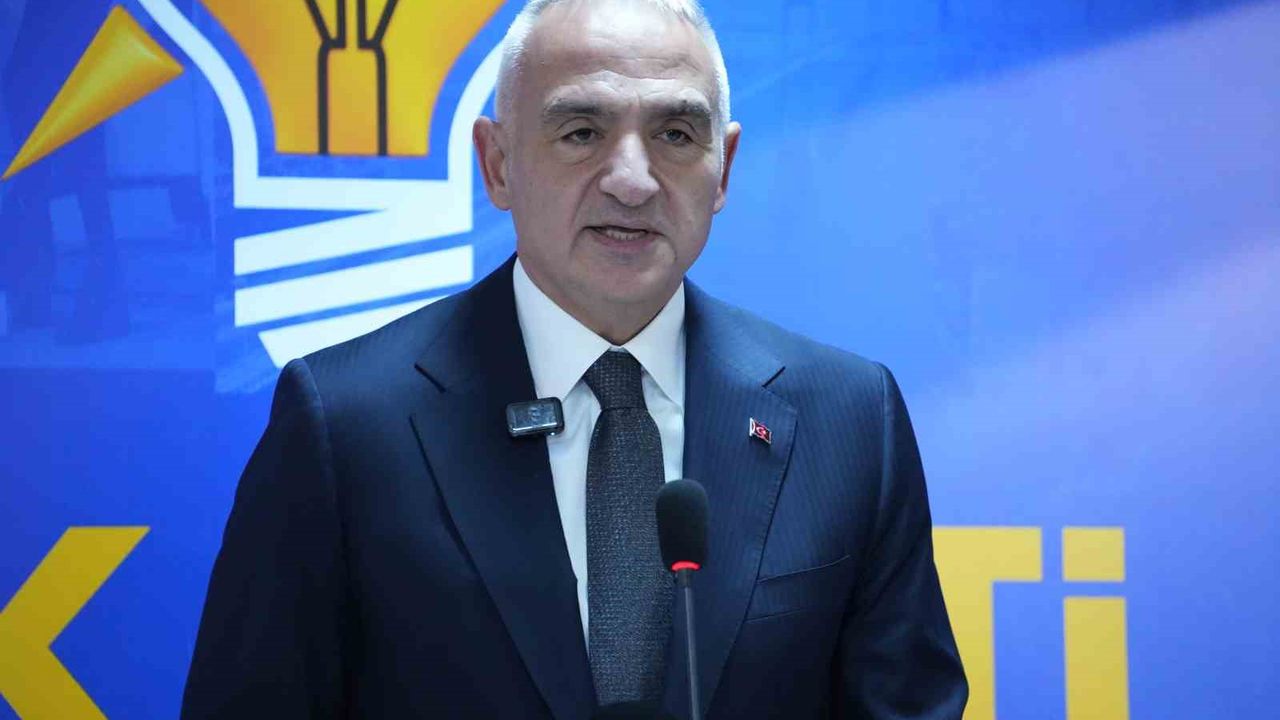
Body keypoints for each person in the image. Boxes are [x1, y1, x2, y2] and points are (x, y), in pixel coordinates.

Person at [181, 0, 968, 718]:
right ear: (497, 164)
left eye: (675, 134)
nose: (632, 181)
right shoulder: (348, 422)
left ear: (723, 167)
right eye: (582, 132)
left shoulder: (849, 419)